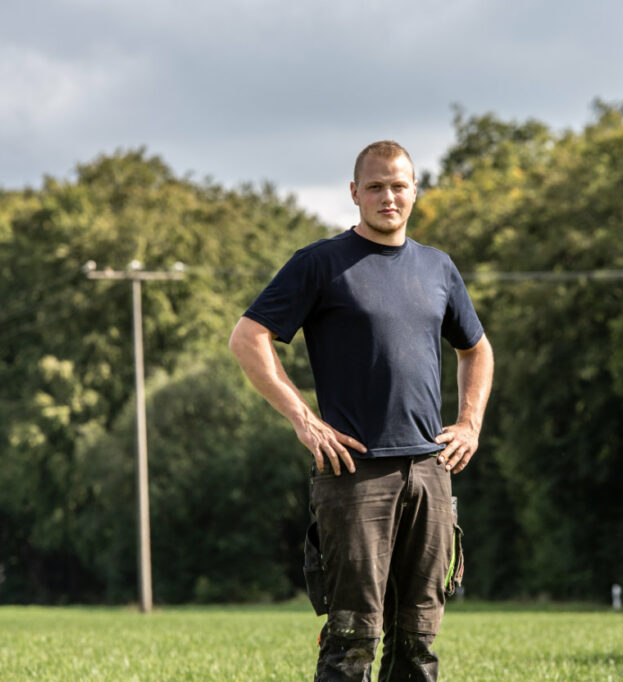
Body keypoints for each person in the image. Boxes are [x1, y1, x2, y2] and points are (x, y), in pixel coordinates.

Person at [229, 140, 493, 681]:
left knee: (419, 641)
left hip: (430, 471)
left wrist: (469, 422)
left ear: (415, 191)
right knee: (353, 640)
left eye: (399, 185)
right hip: (354, 474)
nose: (388, 196)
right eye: (375, 186)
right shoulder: (321, 264)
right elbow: (248, 337)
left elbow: (477, 349)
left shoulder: (438, 268)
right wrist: (304, 420)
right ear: (354, 193)